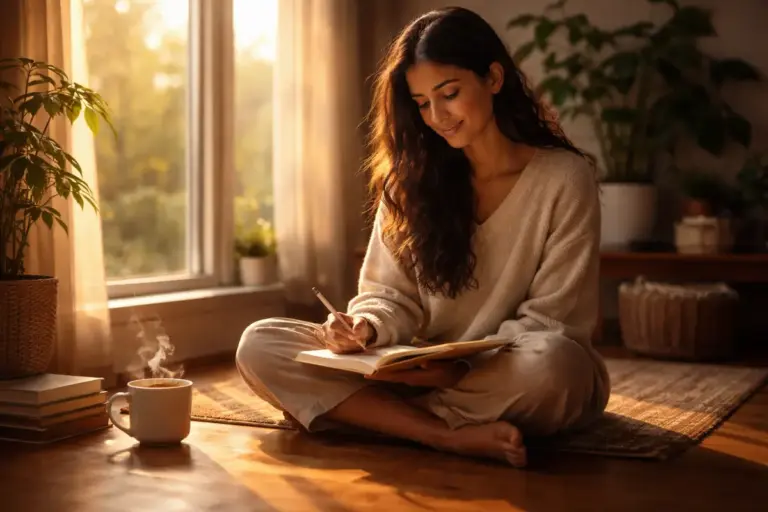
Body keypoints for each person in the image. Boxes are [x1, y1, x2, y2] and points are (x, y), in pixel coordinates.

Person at [236, 6, 610, 468]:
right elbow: (387, 295)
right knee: (260, 343)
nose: (437, 116)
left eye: (449, 94)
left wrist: (451, 373)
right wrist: (364, 327)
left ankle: (375, 418)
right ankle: (444, 435)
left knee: (555, 366)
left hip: (502, 372)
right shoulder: (409, 181)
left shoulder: (564, 178)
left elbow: (553, 321)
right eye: (421, 103)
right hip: (413, 369)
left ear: (493, 78)